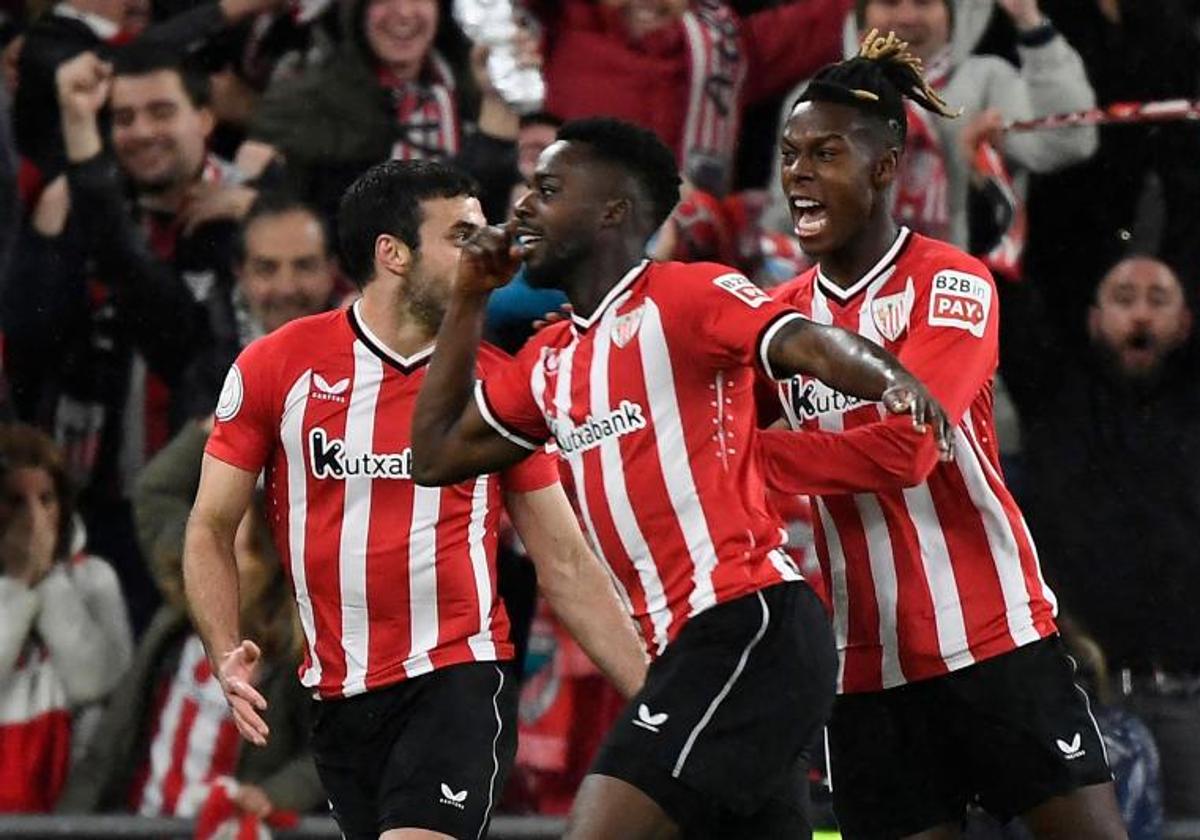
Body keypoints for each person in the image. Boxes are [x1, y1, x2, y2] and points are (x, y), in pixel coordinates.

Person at [409, 115, 952, 839]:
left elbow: (803, 342)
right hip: (679, 656)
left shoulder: (687, 296)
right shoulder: (550, 360)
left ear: (612, 211)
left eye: (547, 188)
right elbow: (435, 455)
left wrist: (892, 379)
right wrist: (470, 299)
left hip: (747, 628)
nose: (522, 209)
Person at [183, 159, 647, 840]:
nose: (484, 249)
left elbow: (566, 563)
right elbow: (210, 525)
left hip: (455, 681)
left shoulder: (495, 384)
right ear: (392, 255)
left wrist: (660, 702)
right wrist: (223, 647)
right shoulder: (277, 366)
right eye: (460, 236)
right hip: (337, 698)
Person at [753, 31, 1125, 838]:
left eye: (824, 154)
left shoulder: (952, 281)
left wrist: (750, 457)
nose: (799, 175)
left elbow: (909, 449)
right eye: (789, 154)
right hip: (863, 668)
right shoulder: (772, 320)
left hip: (991, 637)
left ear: (885, 168)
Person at [4, 45, 256, 630]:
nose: (142, 132)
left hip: (204, 504)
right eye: (123, 118)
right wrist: (48, 232)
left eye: (161, 111)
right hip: (92, 495)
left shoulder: (261, 216)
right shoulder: (79, 203)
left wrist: (260, 204)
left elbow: (176, 331)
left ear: (205, 117)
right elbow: (27, 339)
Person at [1000, 254, 1200, 819]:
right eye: (1124, 298)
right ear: (1093, 319)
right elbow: (1000, 290)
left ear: (1185, 323)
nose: (1140, 313)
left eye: (1158, 300)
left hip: (1189, 698)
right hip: (1080, 699)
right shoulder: (1053, 397)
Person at [57, 425, 323, 822]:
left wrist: (268, 796)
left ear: (271, 565)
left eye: (235, 553)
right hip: (137, 829)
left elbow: (330, 753)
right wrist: (225, 424)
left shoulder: (298, 658)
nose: (215, 564)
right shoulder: (186, 605)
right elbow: (155, 492)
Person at [0, 423, 133, 811]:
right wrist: (18, 584)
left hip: (67, 798)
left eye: (46, 500)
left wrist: (47, 582)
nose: (35, 519)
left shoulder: (94, 579)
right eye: (15, 501)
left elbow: (99, 686)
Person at [179, 190, 343, 421]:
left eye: (305, 266)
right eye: (266, 269)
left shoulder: (375, 353)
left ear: (331, 271)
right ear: (241, 274)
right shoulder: (204, 356)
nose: (287, 288)